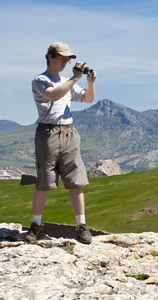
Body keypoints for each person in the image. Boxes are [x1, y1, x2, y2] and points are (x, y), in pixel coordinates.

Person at [24, 41, 96, 244]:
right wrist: (75, 77)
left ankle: (82, 226)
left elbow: (87, 99)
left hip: (69, 131)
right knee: (44, 182)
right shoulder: (40, 80)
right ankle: (36, 225)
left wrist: (89, 83)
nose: (65, 61)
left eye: (68, 58)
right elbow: (54, 95)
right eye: (62, 58)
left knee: (76, 180)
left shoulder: (67, 81)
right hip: (48, 132)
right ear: (50, 57)